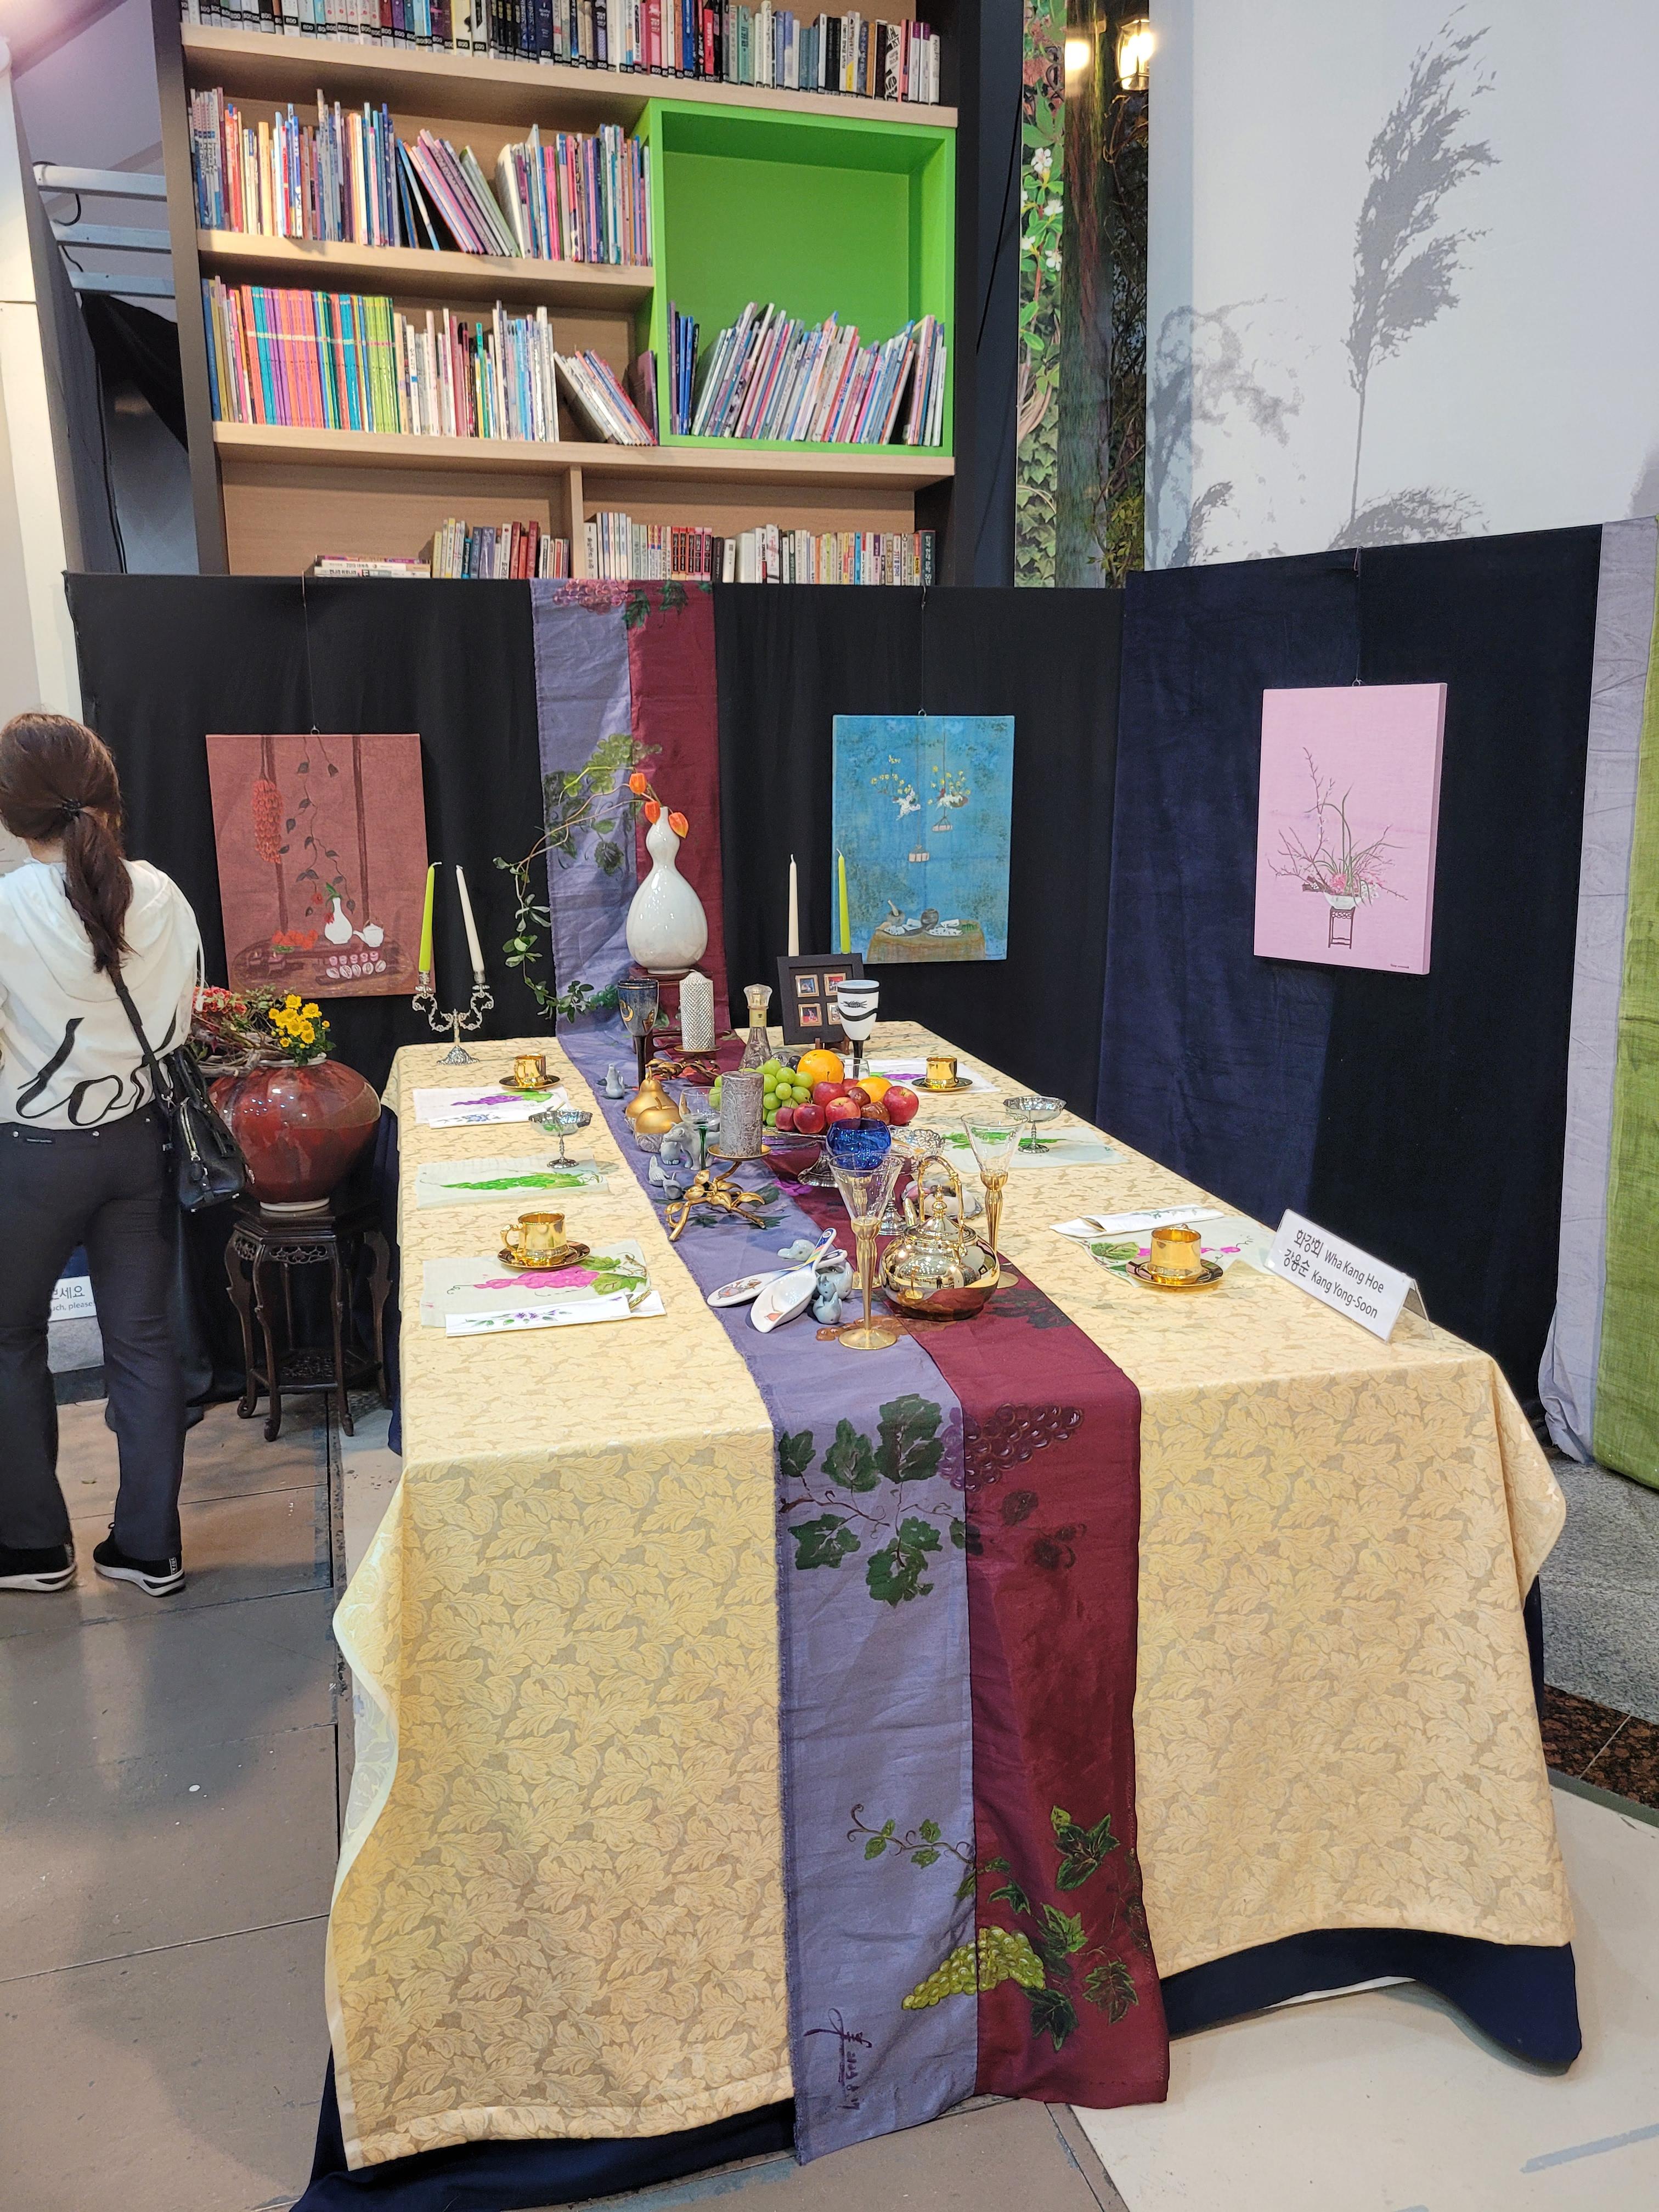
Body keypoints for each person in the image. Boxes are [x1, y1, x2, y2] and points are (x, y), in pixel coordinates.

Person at [0, 712, 201, 1597]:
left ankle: (33, 1549)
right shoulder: (161, 894)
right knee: (144, 1342)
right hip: (135, 1145)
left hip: (30, 1157)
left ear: (12, 812)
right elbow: (181, 1025)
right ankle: (150, 1548)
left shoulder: (7, 909)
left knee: (8, 1339)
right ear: (109, 796)